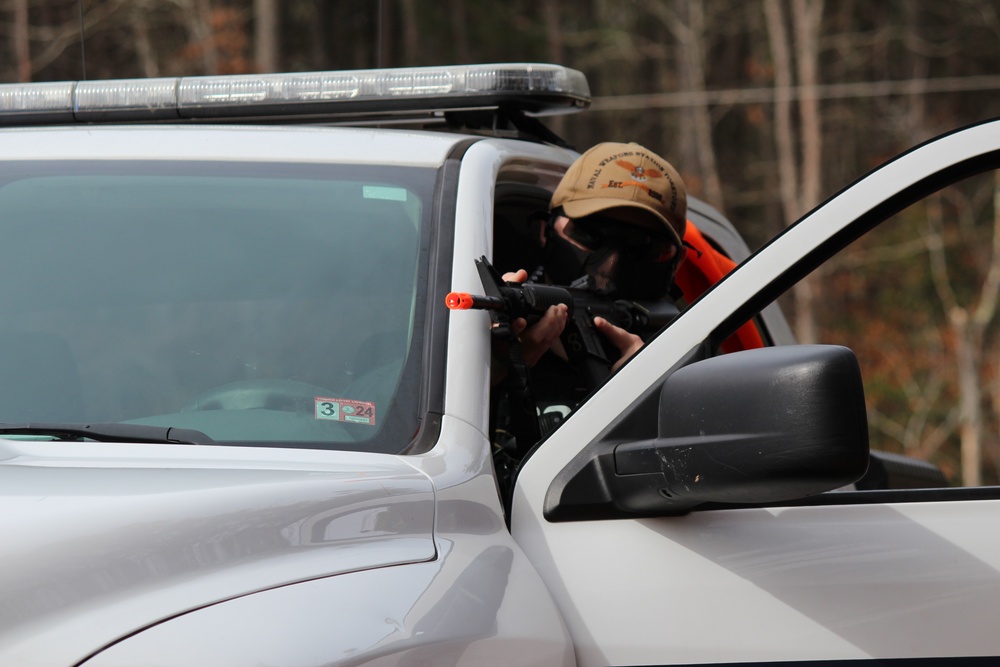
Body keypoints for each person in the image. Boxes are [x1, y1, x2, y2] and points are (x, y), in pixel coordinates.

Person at [502, 141, 688, 378]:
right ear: (544, 228)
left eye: (646, 248)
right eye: (588, 234)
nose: (610, 267)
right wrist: (496, 370)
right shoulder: (494, 334)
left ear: (678, 262)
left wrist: (650, 396)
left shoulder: (690, 361)